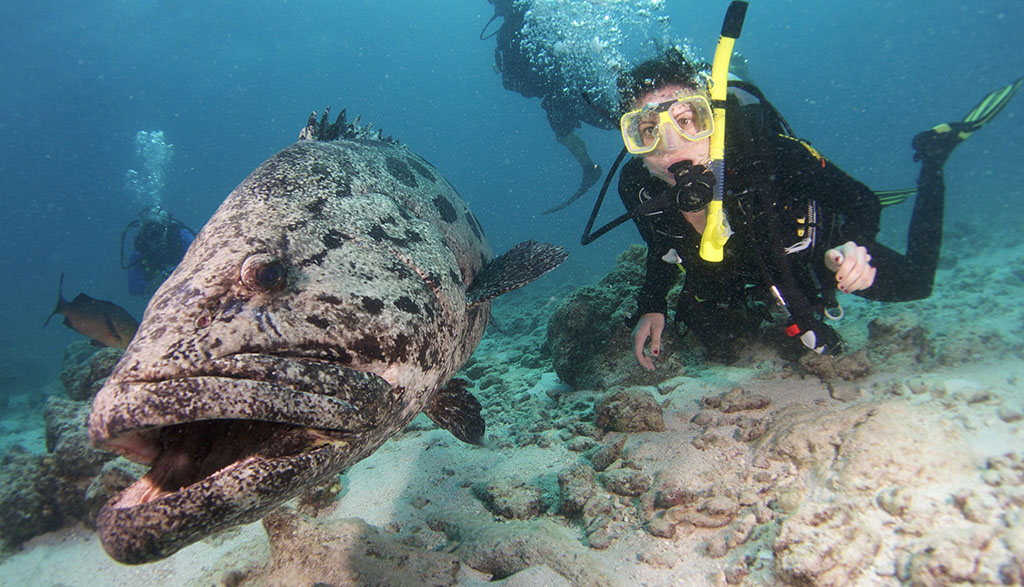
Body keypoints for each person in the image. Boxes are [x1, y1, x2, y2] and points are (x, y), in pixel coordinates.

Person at [610, 48, 1018, 367]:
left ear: (713, 118)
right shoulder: (638, 186)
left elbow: (861, 201)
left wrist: (857, 245)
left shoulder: (770, 154)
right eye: (647, 131)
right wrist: (652, 303)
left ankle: (933, 156)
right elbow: (661, 247)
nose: (671, 145)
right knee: (713, 335)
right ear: (635, 144)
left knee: (916, 283)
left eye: (687, 120)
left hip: (814, 251)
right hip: (742, 269)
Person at [482, 0, 615, 212]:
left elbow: (519, 81)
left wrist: (516, 81)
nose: (496, 7)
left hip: (577, 88)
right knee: (565, 135)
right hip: (558, 97)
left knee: (615, 121)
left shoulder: (527, 20)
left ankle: (653, 134)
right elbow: (516, 78)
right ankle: (590, 169)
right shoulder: (511, 30)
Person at [121, 206, 195, 297]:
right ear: (143, 235)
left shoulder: (180, 235)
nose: (156, 237)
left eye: (158, 230)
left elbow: (197, 256)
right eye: (150, 233)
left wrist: (167, 275)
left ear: (165, 228)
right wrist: (151, 286)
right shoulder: (141, 250)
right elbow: (133, 287)